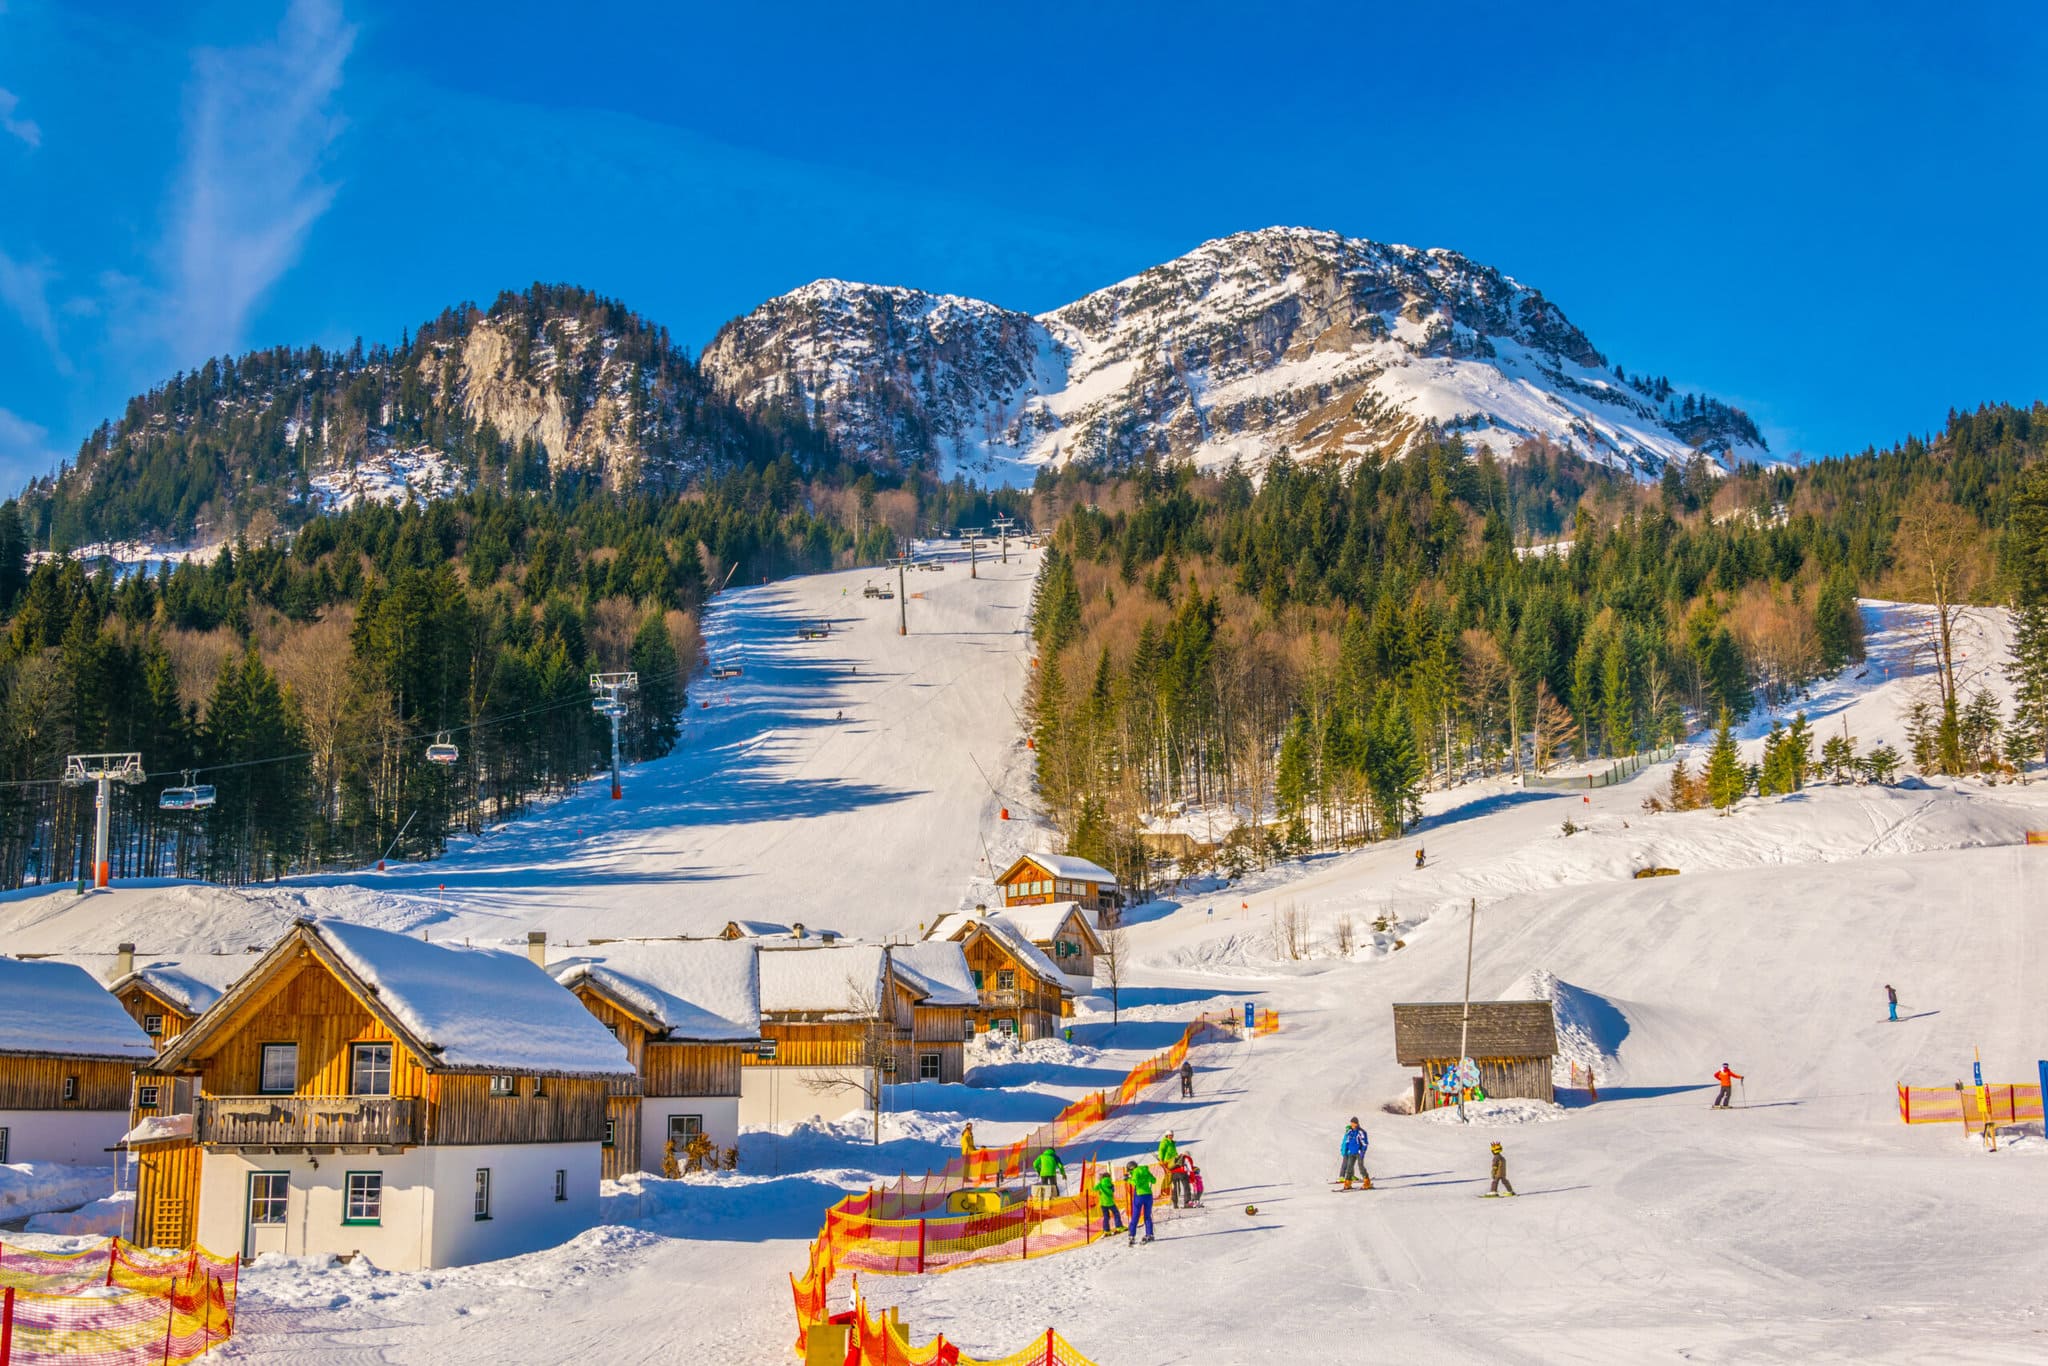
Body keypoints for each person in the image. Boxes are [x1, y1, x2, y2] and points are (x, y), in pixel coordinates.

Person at [1125, 1160, 1156, 1244]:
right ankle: (1150, 1234)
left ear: (1131, 1168)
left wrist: (1128, 1179)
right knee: (1147, 1216)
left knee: (1135, 1216)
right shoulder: (1146, 1170)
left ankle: (1132, 1235)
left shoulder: (1135, 1172)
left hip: (1139, 1195)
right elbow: (1154, 1180)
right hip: (1148, 1195)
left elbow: (1135, 1182)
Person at [1340, 1117, 1371, 1189]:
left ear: (1356, 1123)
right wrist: (1346, 1150)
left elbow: (1365, 1143)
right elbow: (1347, 1141)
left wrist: (1362, 1152)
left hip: (1359, 1152)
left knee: (1361, 1167)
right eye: (1351, 1123)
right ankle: (1347, 1183)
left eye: (1353, 1123)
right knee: (1349, 1168)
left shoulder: (1361, 1132)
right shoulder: (1349, 1132)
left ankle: (1367, 1181)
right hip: (1351, 1152)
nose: (1352, 1124)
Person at [1093, 1166, 1124, 1236]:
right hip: (1110, 1202)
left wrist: (1100, 1182)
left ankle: (1106, 1230)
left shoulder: (1100, 1184)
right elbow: (1112, 1191)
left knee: (1106, 1216)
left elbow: (1094, 1189)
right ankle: (1119, 1226)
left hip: (1103, 1203)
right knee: (1116, 1213)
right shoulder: (1110, 1183)